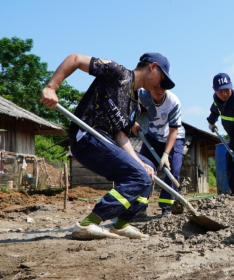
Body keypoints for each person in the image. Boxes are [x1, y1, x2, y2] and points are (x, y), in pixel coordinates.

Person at [41, 52, 174, 240]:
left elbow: (121, 137)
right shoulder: (118, 74)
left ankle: (121, 224)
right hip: (87, 137)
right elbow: (76, 59)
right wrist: (51, 87)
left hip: (108, 142)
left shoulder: (134, 105)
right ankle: (87, 224)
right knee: (140, 175)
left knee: (148, 169)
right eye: (161, 78)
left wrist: (139, 162)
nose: (159, 85)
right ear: (153, 67)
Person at [134, 84, 185, 218]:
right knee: (142, 167)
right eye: (155, 86)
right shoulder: (142, 94)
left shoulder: (173, 102)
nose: (158, 90)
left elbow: (173, 130)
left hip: (174, 137)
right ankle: (140, 207)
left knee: (172, 170)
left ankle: (167, 207)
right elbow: (127, 99)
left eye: (162, 87)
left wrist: (166, 154)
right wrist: (132, 121)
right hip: (153, 136)